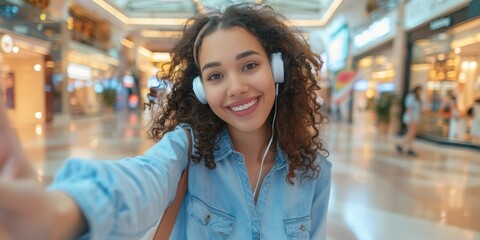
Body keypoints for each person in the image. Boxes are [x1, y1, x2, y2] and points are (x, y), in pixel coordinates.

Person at [0, 3, 331, 240]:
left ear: (276, 69)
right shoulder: (187, 149)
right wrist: (59, 212)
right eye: (215, 75)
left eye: (249, 66)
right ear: (201, 89)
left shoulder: (313, 169)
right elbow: (142, 180)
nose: (235, 87)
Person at [396, 85, 423, 157]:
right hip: (411, 118)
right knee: (411, 133)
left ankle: (409, 148)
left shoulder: (417, 99)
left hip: (415, 118)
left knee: (412, 133)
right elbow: (409, 108)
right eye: (419, 90)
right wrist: (411, 118)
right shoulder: (411, 97)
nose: (420, 92)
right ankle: (402, 144)